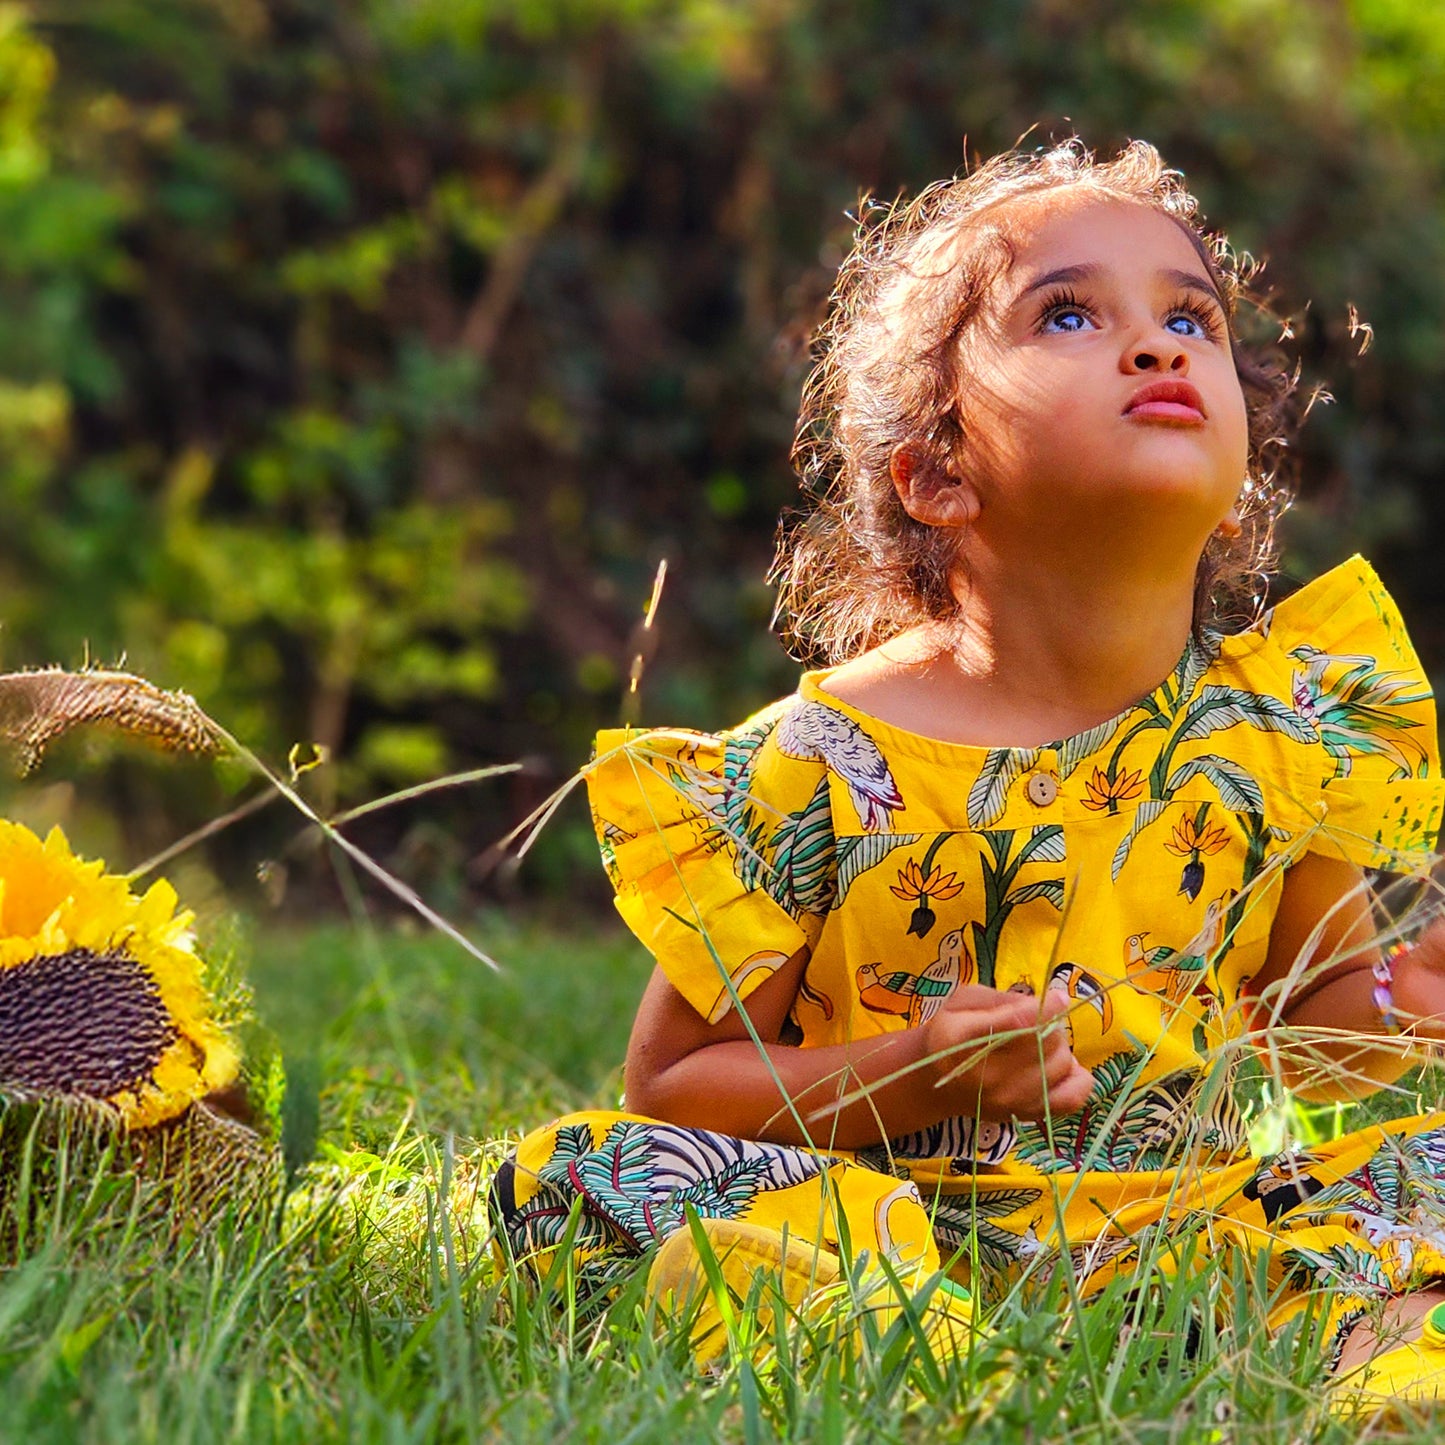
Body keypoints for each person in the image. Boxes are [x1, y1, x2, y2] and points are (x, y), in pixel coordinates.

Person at [493, 139, 1445, 1403]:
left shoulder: (1280, 723)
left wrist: (1396, 998)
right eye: (1067, 312)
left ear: (1233, 494)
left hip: (1198, 1235)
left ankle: (1375, 1369)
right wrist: (914, 1075)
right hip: (889, 1221)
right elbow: (671, 1083)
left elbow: (1302, 1040)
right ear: (937, 473)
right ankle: (895, 1348)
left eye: (1188, 316)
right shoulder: (821, 757)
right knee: (586, 1170)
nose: (1157, 345)